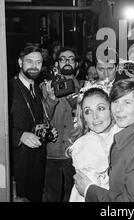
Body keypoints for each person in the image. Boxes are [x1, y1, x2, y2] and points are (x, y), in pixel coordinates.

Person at [74, 78, 134, 202]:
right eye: (115, 101)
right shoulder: (126, 132)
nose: (118, 109)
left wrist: (89, 190)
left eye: (127, 102)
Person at [9, 44, 58, 202]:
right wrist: (20, 135)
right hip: (16, 163)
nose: (34, 66)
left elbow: (37, 121)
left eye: (38, 62)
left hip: (37, 161)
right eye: (29, 61)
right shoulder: (8, 88)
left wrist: (48, 132)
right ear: (19, 62)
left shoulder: (36, 88)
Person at [68, 85, 121, 202]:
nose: (94, 116)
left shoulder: (122, 133)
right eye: (88, 111)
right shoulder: (86, 146)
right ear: (83, 117)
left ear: (111, 108)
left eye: (100, 108)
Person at [42, 47, 81, 202]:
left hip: (75, 154)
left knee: (73, 198)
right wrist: (51, 98)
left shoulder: (85, 88)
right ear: (57, 64)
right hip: (52, 154)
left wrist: (76, 103)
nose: (67, 62)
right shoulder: (46, 87)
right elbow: (42, 119)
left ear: (77, 64)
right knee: (51, 198)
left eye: (71, 59)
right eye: (63, 59)